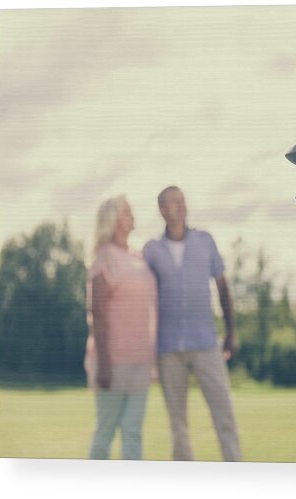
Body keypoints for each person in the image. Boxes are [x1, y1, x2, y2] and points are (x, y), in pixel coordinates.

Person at [143, 186, 241, 461]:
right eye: (175, 202)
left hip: (206, 343)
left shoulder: (205, 240)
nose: (182, 206)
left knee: (225, 415)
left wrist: (231, 333)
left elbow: (223, 288)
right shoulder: (151, 250)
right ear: (162, 209)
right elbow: (144, 300)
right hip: (167, 348)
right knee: (178, 425)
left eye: (183, 200)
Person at [85, 195, 157, 460]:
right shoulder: (104, 258)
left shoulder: (138, 257)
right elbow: (98, 315)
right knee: (105, 432)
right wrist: (103, 363)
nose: (133, 214)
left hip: (140, 362)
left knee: (133, 432)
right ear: (114, 219)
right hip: (112, 363)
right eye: (127, 211)